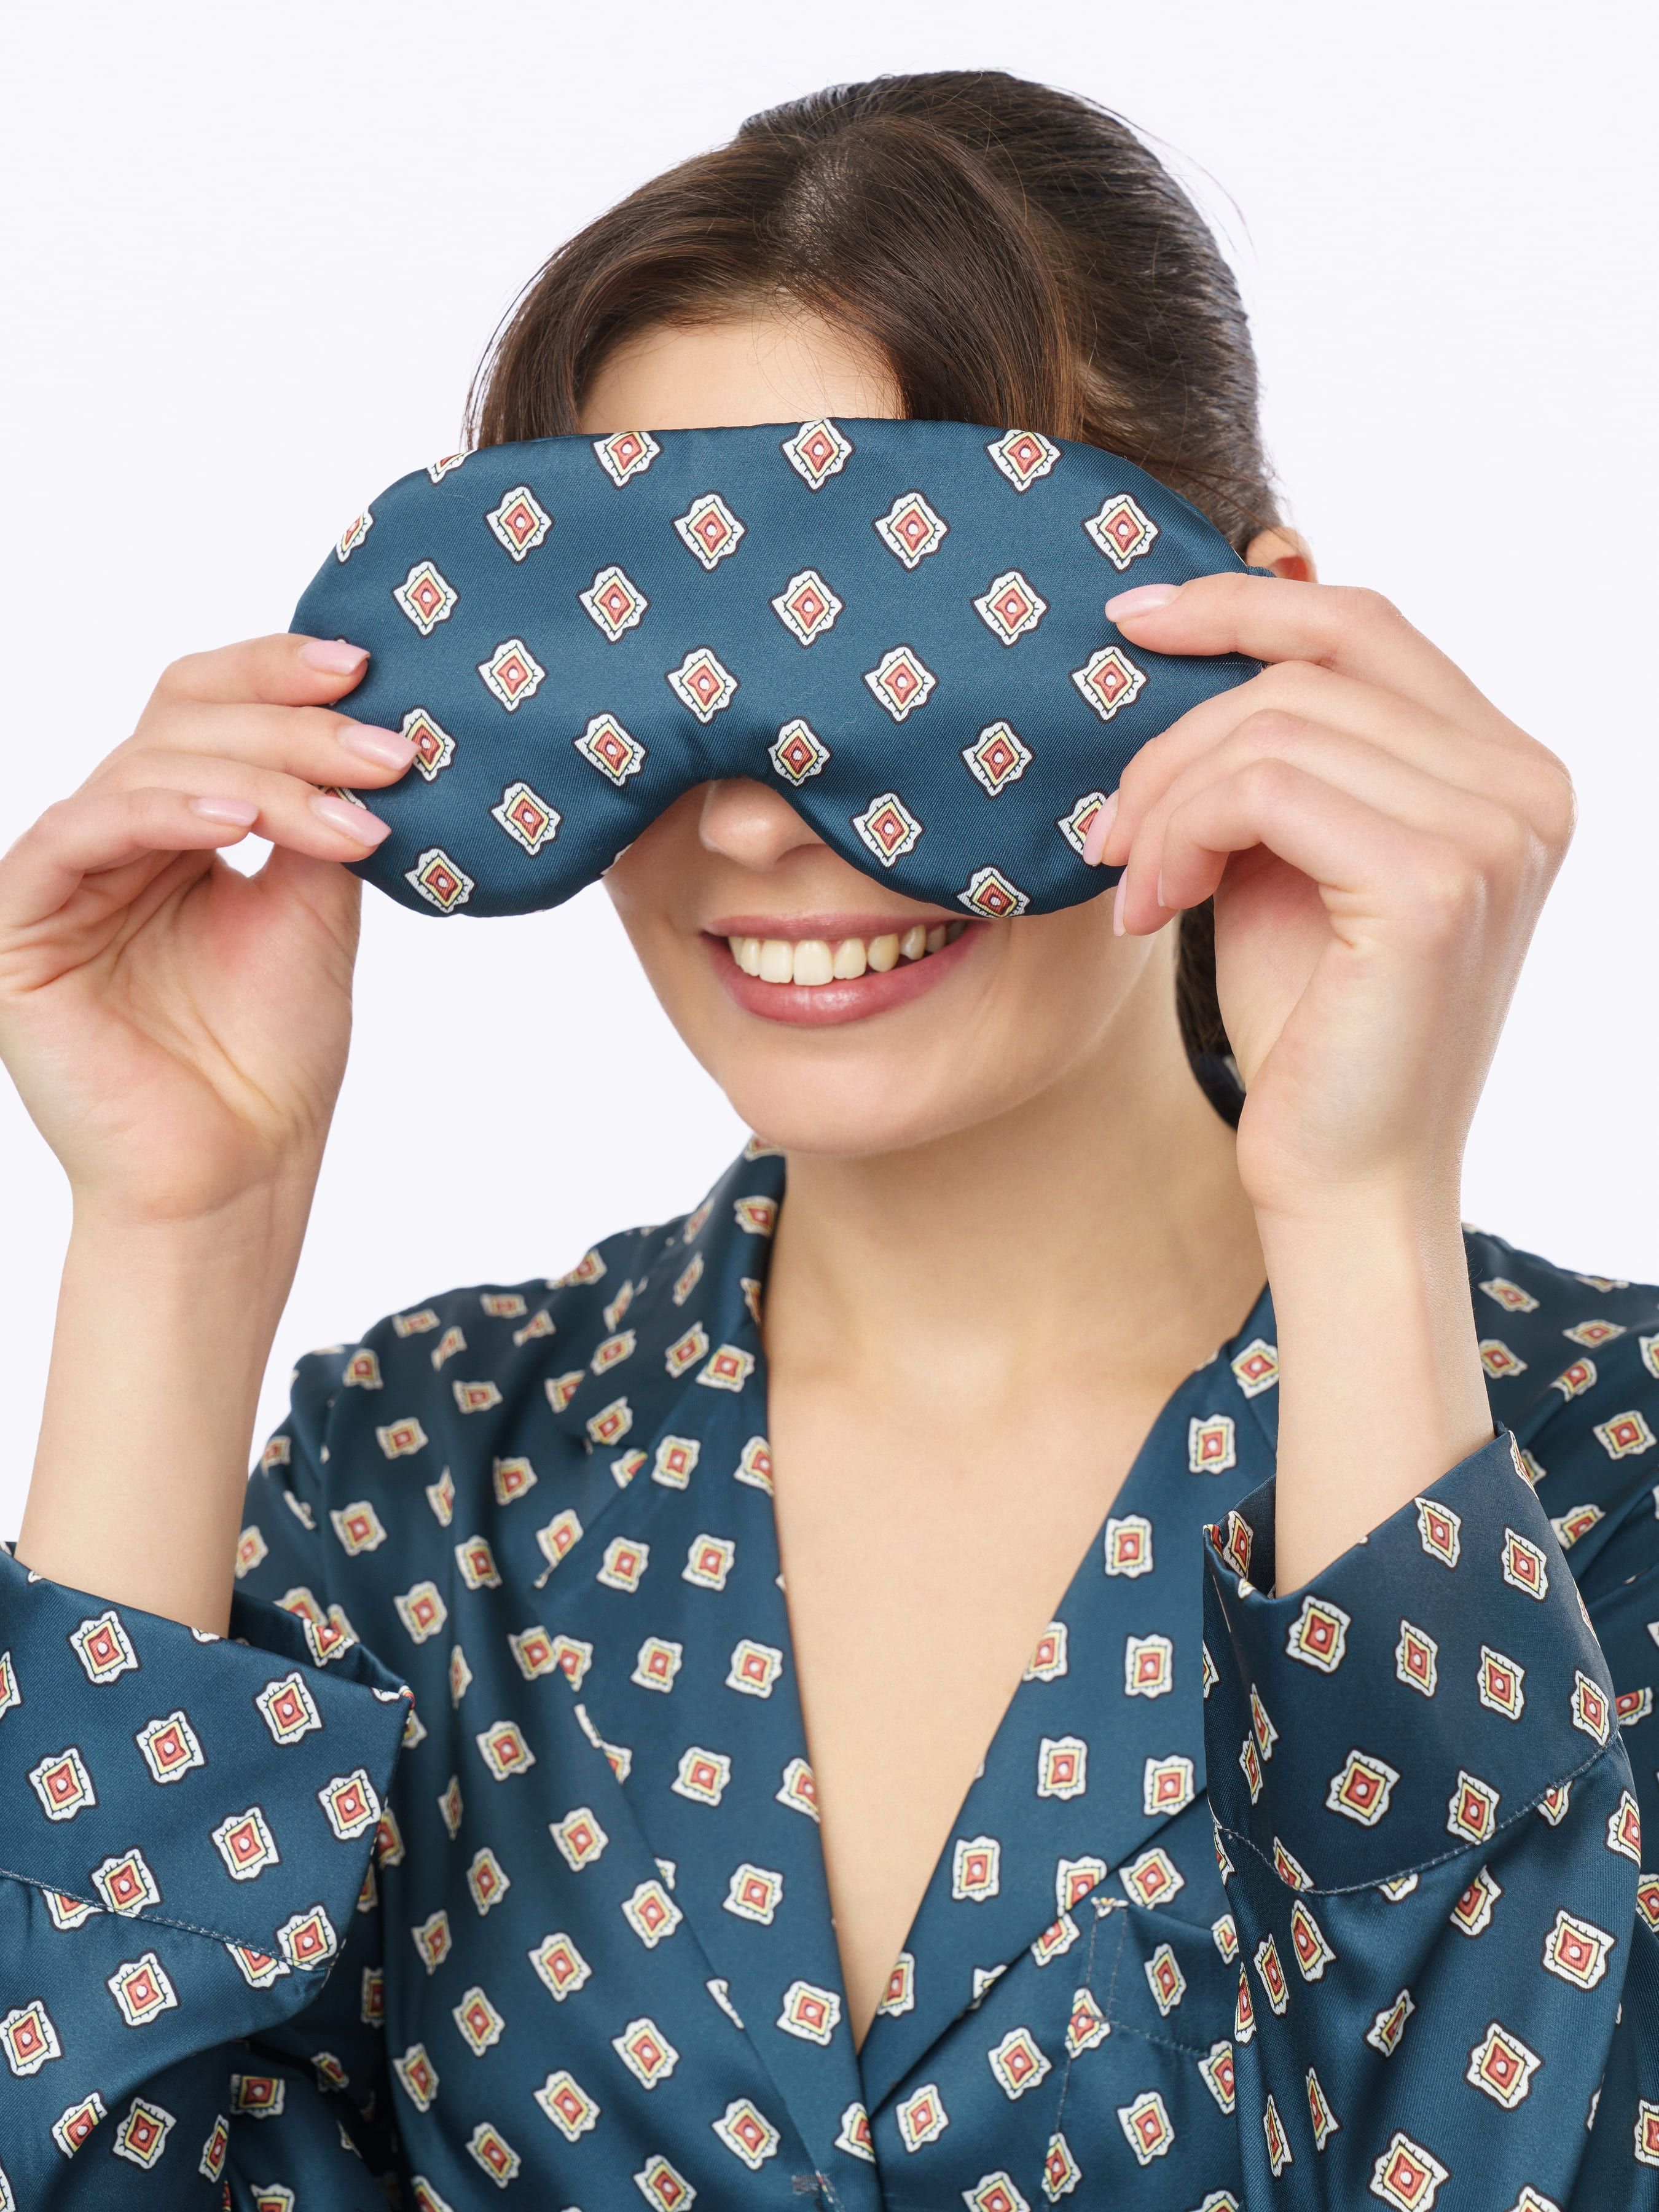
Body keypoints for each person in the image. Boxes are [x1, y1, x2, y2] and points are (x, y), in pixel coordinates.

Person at [1, 67, 1654, 2212]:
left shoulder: (1612, 1474)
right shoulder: (413, 1481)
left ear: (1259, 650)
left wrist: (1360, 1212)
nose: (756, 824)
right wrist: (172, 1233)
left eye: (912, 663)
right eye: (622, 675)